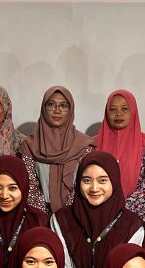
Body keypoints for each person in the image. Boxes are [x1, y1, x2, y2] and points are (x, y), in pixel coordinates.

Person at [51, 152, 144, 268]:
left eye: (102, 180)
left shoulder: (131, 225)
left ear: (114, 181)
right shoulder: (61, 220)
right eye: (87, 180)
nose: (94, 188)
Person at [19, 86, 95, 214]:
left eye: (63, 105)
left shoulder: (84, 145)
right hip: (39, 215)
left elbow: (83, 182)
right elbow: (30, 185)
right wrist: (43, 216)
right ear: (43, 108)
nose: (57, 110)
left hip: (75, 213)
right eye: (51, 104)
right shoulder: (29, 145)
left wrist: (66, 215)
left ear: (71, 110)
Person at [94, 89, 145, 221]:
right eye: (113, 109)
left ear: (133, 111)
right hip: (99, 211)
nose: (118, 113)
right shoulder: (94, 143)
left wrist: (126, 206)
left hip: (134, 214)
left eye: (124, 109)